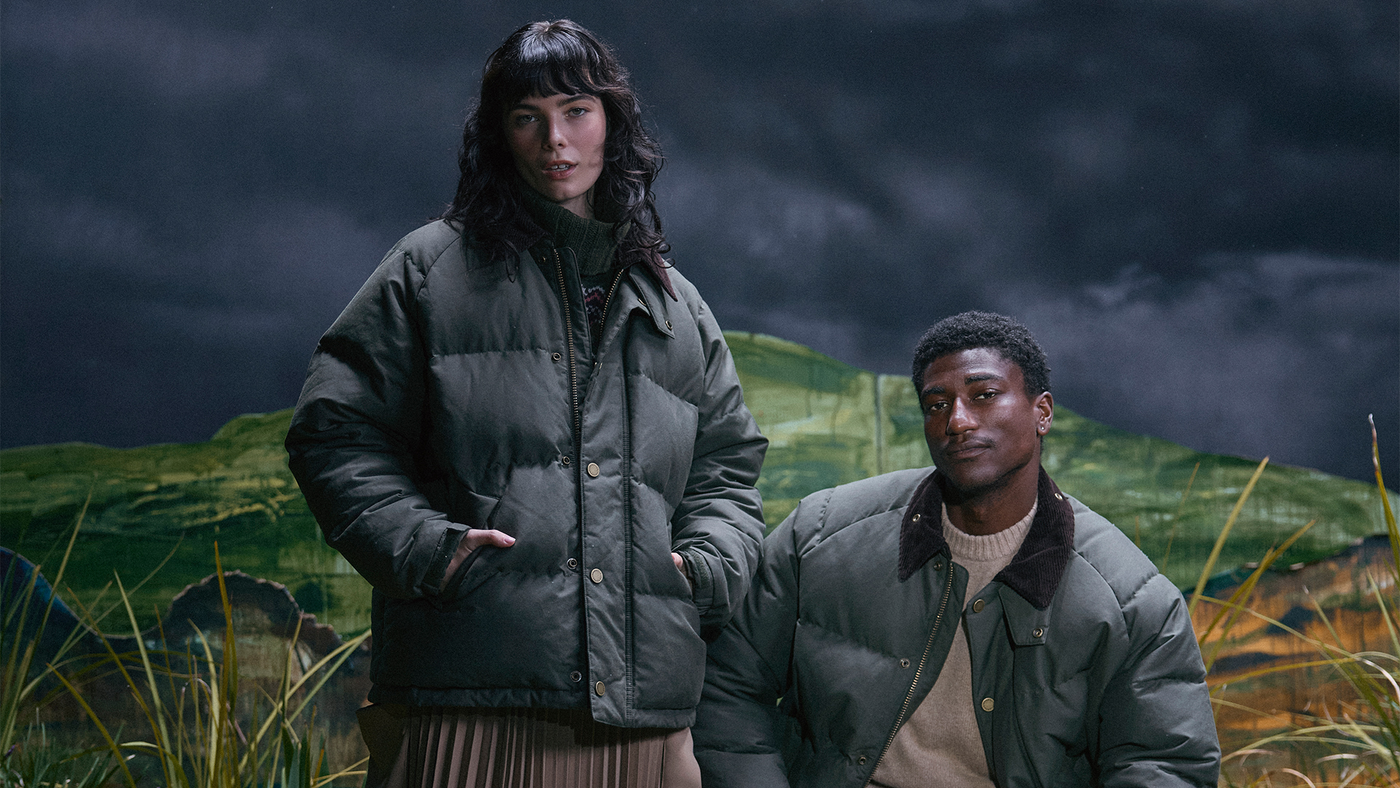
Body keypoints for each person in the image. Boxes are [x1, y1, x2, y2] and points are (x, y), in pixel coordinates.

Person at [285, 20, 767, 788]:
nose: (555, 141)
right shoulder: (427, 271)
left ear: (612, 121)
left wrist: (701, 568)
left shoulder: (680, 307)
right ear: (499, 135)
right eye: (527, 118)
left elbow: (728, 471)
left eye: (576, 111)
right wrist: (430, 552)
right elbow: (334, 433)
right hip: (469, 703)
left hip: (647, 716)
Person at [692, 311, 1220, 787]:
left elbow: (1165, 764)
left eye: (983, 395)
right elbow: (728, 683)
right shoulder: (820, 534)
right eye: (937, 404)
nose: (957, 421)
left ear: (1042, 412)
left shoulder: (1133, 601)